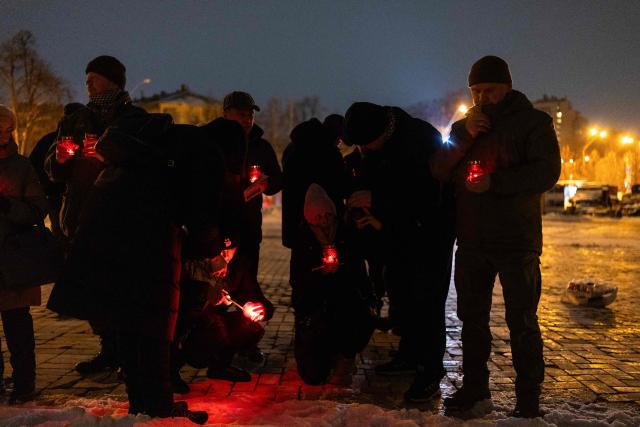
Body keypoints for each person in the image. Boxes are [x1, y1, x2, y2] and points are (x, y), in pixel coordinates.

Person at [47, 115, 213, 424]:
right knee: (153, 333)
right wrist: (207, 247)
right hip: (148, 263)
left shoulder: (125, 164)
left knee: (133, 332)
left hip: (115, 265)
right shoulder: (160, 171)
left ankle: (142, 403)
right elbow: (193, 214)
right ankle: (158, 407)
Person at [430, 56, 561, 418]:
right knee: (471, 320)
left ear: (507, 87)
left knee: (522, 321)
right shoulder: (464, 127)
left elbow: (547, 171)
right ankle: (475, 390)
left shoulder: (533, 123)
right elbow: (439, 169)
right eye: (475, 91)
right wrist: (464, 136)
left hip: (516, 240)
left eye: (489, 90)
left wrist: (495, 183)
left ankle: (528, 398)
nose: (482, 98)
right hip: (472, 239)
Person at [344, 101, 455, 402]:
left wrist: (376, 198)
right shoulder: (376, 142)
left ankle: (430, 370)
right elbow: (371, 178)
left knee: (428, 300)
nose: (366, 148)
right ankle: (408, 355)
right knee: (402, 293)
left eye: (368, 143)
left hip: (429, 232)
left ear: (382, 132)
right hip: (394, 231)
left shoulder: (420, 139)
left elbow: (427, 194)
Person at [44, 56, 145, 375]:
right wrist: (60, 159)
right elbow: (53, 171)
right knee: (91, 287)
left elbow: (149, 163)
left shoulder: (134, 118)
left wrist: (113, 156)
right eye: (86, 78)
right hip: (83, 214)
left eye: (94, 78)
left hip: (123, 216)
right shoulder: (77, 119)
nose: (87, 84)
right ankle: (108, 348)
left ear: (113, 81)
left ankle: (129, 350)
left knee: (124, 287)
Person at [282, 118, 375, 385]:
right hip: (318, 226)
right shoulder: (328, 154)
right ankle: (320, 345)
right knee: (320, 296)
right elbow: (342, 187)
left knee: (342, 296)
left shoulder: (293, 149)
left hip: (305, 228)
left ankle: (339, 345)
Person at [220, 92, 282, 363]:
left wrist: (268, 183)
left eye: (251, 113)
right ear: (227, 113)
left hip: (249, 228)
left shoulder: (261, 146)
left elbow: (279, 180)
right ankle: (218, 342)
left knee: (248, 286)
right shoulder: (214, 142)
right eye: (242, 113)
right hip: (220, 229)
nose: (248, 118)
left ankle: (247, 340)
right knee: (219, 289)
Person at [0, 105, 48, 403]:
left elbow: (37, 208)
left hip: (14, 259)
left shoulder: (22, 167)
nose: (5, 135)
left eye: (8, 129)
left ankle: (24, 383)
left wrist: (7, 207)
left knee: (18, 324)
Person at [29, 103, 84, 242]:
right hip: (61, 197)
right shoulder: (53, 141)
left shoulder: (48, 140)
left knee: (62, 237)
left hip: (57, 197)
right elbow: (33, 168)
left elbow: (33, 168)